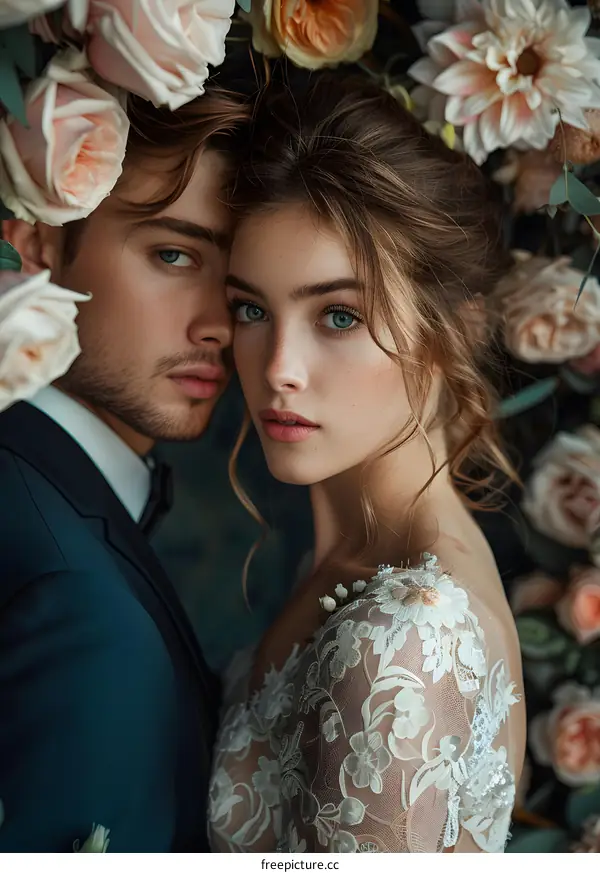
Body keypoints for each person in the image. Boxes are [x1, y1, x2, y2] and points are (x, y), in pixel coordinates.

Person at [208, 74, 526, 854]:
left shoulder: (406, 638)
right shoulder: (356, 564)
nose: (278, 365)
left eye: (339, 315)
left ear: (453, 330)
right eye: (252, 308)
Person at [0, 85, 248, 851]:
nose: (218, 325)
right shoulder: (79, 601)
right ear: (39, 239)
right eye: (173, 254)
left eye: (240, 285)